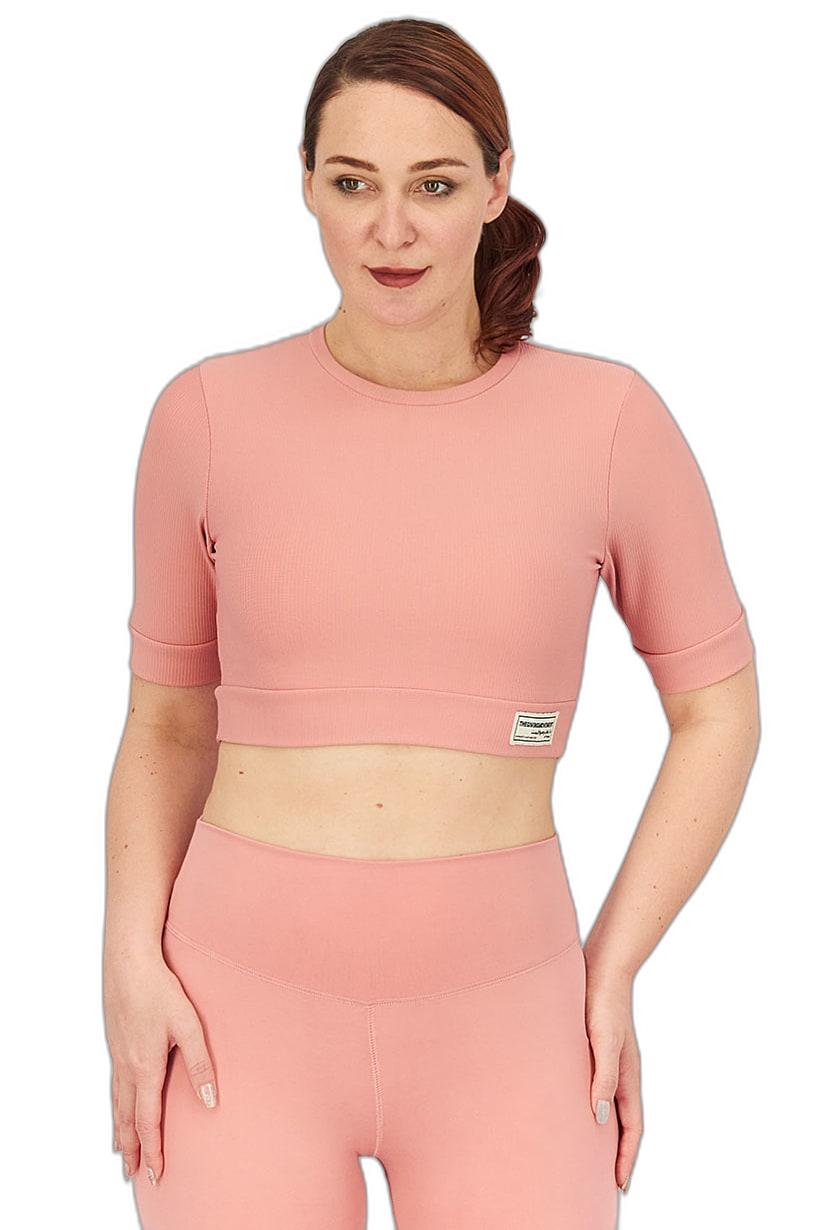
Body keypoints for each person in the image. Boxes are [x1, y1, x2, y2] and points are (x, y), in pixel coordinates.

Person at [103, 17, 760, 1230]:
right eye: (354, 183)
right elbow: (165, 724)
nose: (391, 229)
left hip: (509, 1020)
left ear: (497, 185)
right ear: (307, 183)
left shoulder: (609, 423)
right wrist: (126, 964)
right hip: (232, 1017)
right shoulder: (204, 417)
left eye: (436, 185)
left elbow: (717, 710)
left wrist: (613, 963)